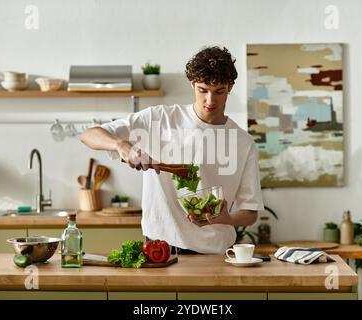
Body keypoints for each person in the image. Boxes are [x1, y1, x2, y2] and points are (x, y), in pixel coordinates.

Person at [81, 46, 263, 254]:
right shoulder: (158, 119)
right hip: (160, 246)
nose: (210, 100)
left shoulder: (243, 143)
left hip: (215, 251)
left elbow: (250, 212)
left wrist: (227, 218)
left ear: (230, 87)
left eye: (219, 91)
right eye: (203, 90)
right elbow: (89, 135)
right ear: (193, 84)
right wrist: (122, 146)